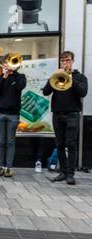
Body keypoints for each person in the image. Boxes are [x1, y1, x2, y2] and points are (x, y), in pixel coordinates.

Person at [43, 51, 88, 185]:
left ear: (72, 61)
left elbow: (83, 92)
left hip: (72, 114)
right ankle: (62, 172)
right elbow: (46, 92)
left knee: (71, 145)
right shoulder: (56, 76)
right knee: (60, 144)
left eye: (67, 60)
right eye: (62, 60)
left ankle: (70, 174)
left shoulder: (80, 77)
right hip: (57, 114)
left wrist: (71, 78)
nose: (65, 63)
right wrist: (54, 76)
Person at [0, 54, 27, 178]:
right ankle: (0, 166)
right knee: (0, 141)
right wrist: (4, 77)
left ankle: (9, 168)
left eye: (11, 62)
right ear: (3, 64)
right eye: (7, 62)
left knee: (10, 142)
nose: (9, 64)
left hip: (13, 115)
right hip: (0, 114)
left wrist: (14, 73)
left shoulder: (20, 77)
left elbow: (20, 87)